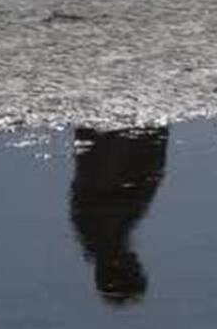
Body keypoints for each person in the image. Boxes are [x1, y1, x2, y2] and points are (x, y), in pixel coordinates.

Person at [69, 126, 169, 305]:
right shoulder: (103, 233)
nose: (136, 261)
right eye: (137, 267)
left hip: (116, 148)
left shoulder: (99, 230)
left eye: (134, 267)